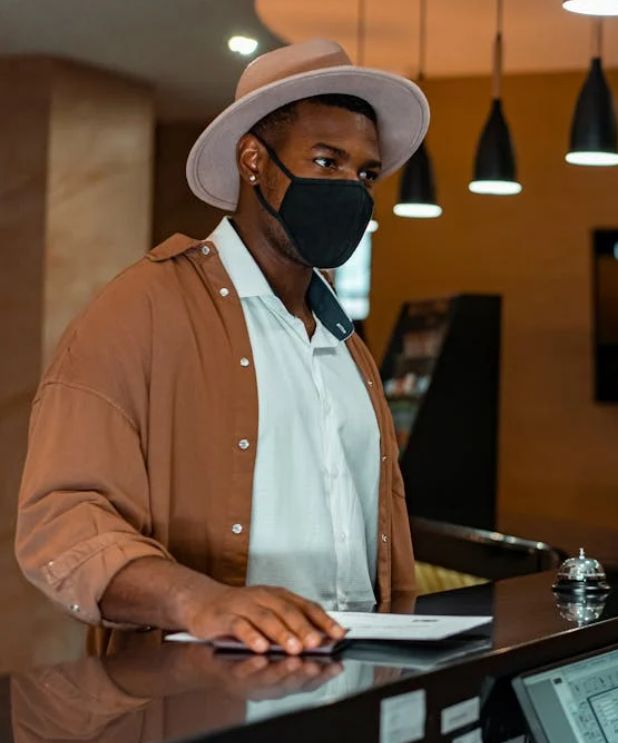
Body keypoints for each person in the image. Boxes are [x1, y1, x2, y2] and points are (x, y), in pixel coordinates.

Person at [15, 39, 430, 656]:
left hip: (355, 687)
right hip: (200, 697)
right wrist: (198, 599)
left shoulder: (349, 345)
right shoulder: (142, 309)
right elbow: (61, 521)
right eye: (325, 161)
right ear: (253, 160)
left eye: (365, 173)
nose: (351, 187)